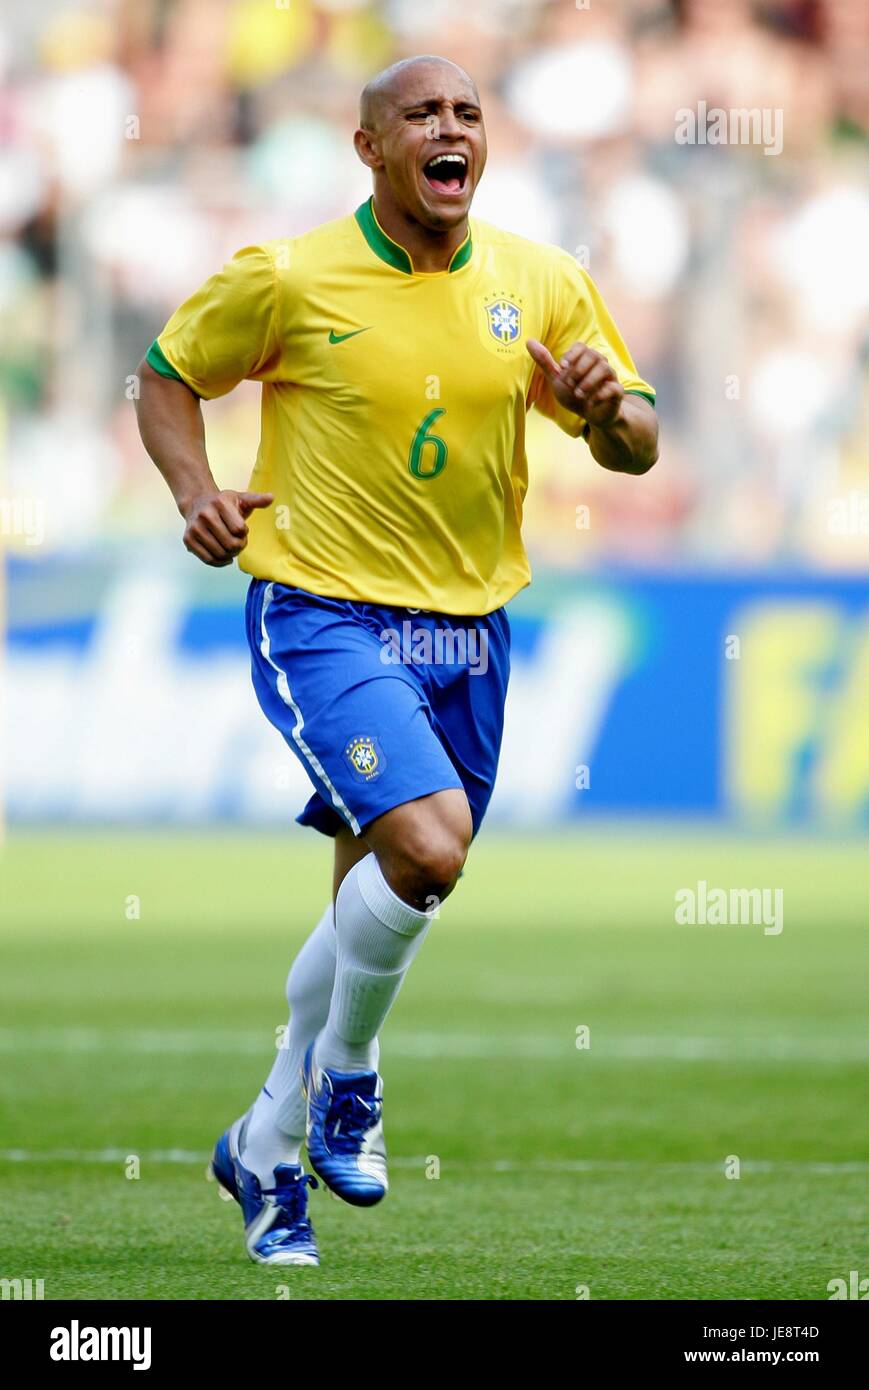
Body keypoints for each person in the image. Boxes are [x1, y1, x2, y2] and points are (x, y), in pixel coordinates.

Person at [134, 54, 658, 1267]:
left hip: (467, 631)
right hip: (322, 609)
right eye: (420, 112)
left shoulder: (540, 281)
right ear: (368, 146)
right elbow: (164, 376)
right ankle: (349, 1075)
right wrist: (193, 488)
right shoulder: (290, 276)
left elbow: (633, 438)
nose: (449, 127)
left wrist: (600, 409)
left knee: (401, 883)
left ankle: (265, 1143)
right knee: (429, 845)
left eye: (467, 111)